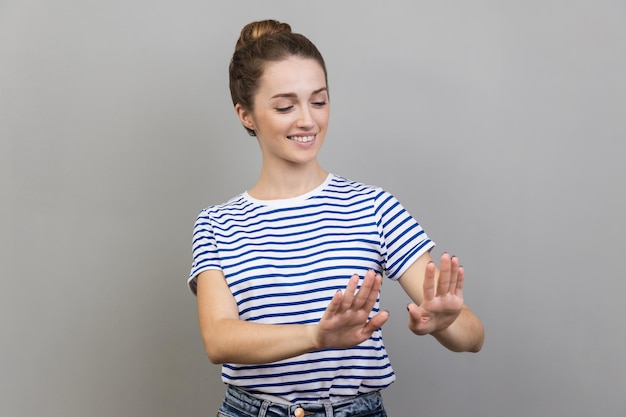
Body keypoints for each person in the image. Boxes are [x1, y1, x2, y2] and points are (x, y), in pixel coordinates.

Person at [189, 19, 484, 417]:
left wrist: (445, 321)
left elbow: (472, 337)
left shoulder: (374, 208)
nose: (308, 120)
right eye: (285, 106)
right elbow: (219, 338)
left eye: (319, 100)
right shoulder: (216, 224)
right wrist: (316, 335)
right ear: (246, 114)